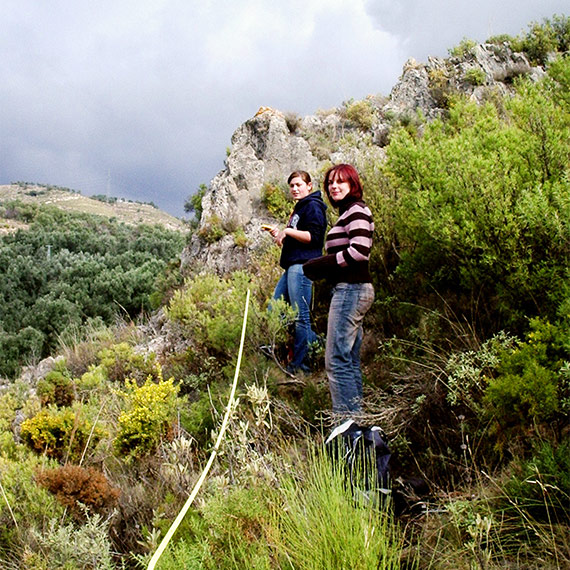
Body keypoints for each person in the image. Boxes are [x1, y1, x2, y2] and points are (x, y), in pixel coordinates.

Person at [302, 164, 374, 416]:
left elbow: (359, 251)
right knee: (349, 360)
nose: (334, 186)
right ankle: (355, 423)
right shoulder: (348, 213)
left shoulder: (356, 210)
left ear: (352, 184)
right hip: (350, 290)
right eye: (330, 182)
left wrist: (321, 264)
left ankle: (346, 426)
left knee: (336, 360)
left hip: (351, 290)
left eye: (340, 181)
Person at [267, 170, 327, 374]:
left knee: (300, 317)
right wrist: (281, 234)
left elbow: (314, 237)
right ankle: (318, 346)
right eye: (292, 185)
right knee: (274, 310)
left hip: (302, 267)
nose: (294, 188)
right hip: (292, 266)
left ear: (309, 186)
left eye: (299, 184)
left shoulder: (313, 206)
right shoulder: (301, 208)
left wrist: (289, 232)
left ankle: (302, 365)